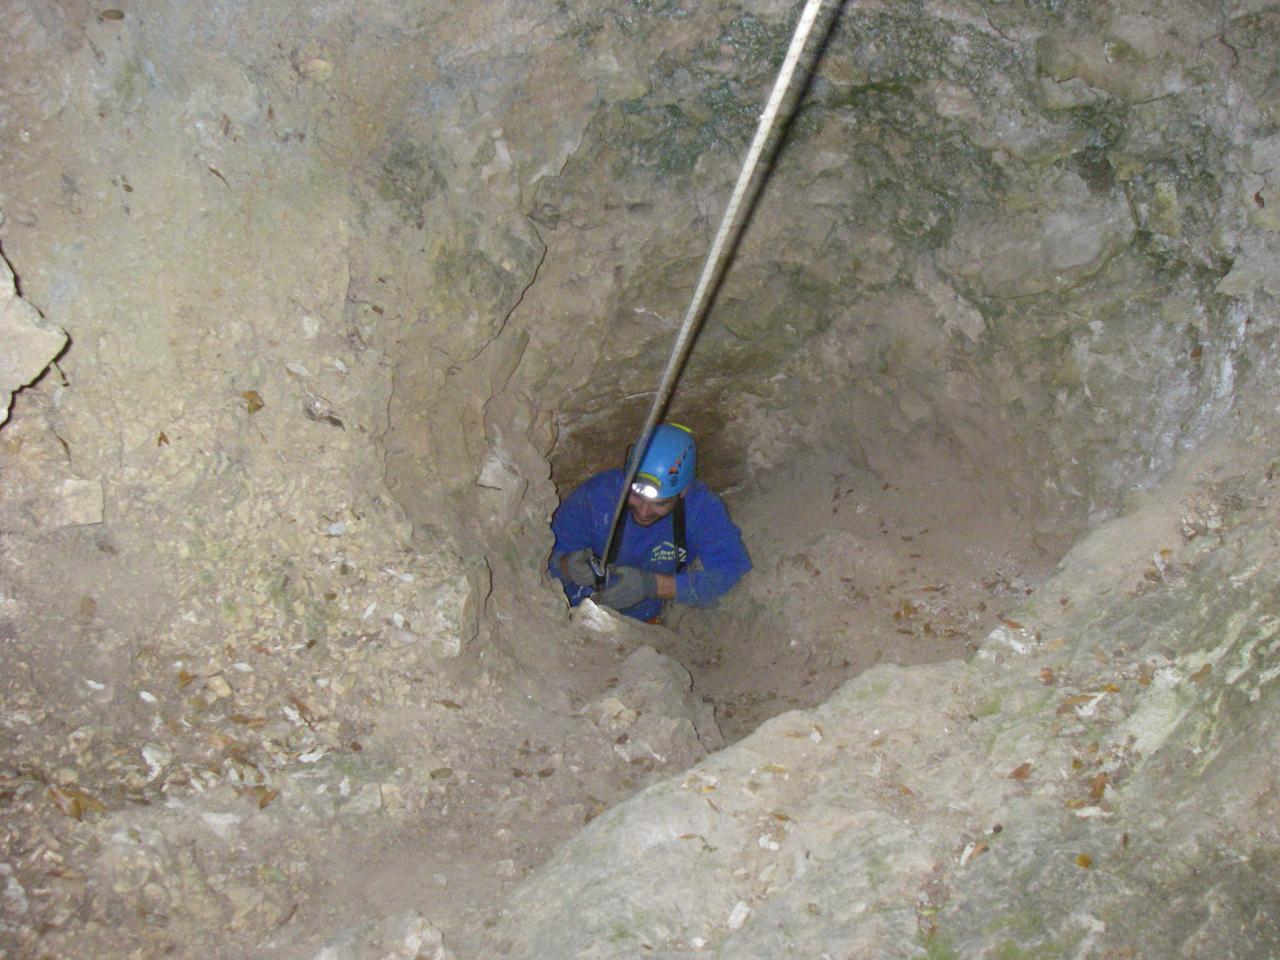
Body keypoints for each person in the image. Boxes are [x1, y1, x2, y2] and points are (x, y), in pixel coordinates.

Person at [548, 423, 751, 622]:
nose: (644, 512)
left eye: (660, 503)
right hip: (573, 613)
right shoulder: (595, 498)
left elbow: (733, 570)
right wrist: (566, 566)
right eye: (635, 495)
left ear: (684, 491)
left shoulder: (701, 509)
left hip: (646, 623)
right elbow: (543, 556)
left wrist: (654, 586)